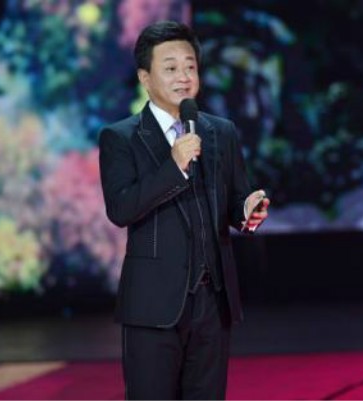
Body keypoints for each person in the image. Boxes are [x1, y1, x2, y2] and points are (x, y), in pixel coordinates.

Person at [98, 20, 270, 400]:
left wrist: (247, 212)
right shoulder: (121, 137)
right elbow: (121, 208)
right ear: (145, 77)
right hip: (153, 304)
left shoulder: (221, 132)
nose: (184, 77)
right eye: (171, 67)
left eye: (190, 67)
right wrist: (173, 167)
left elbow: (235, 200)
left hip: (213, 302)